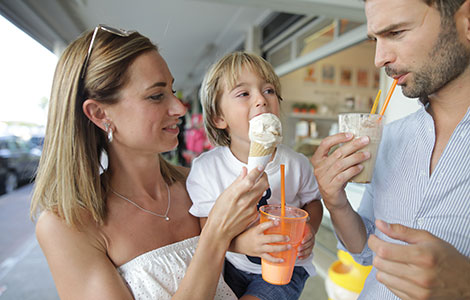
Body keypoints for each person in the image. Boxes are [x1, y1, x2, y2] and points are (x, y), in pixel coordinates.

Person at [30, 25, 270, 300]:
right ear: (99, 113)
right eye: (156, 96)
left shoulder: (198, 182)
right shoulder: (66, 226)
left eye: (173, 90)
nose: (180, 108)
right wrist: (215, 236)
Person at [311, 0, 470, 299]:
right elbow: (365, 251)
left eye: (395, 32)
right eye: (375, 39)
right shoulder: (391, 137)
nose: (378, 59)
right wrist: (336, 202)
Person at [187, 52, 323, 300]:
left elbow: (312, 202)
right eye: (244, 94)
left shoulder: (297, 164)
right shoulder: (206, 169)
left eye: (269, 90)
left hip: (286, 268)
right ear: (219, 117)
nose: (261, 99)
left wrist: (309, 230)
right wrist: (243, 245)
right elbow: (206, 230)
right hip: (229, 264)